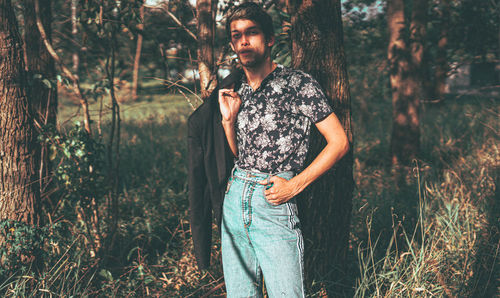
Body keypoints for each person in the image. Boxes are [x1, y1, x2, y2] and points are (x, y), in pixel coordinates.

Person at [218, 2, 349, 297]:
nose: (244, 41)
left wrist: (294, 186)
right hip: (235, 198)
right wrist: (229, 122)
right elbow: (243, 155)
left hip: (273, 202)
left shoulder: (297, 83)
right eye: (237, 35)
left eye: (251, 33)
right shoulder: (237, 87)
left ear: (270, 39)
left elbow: (339, 142)